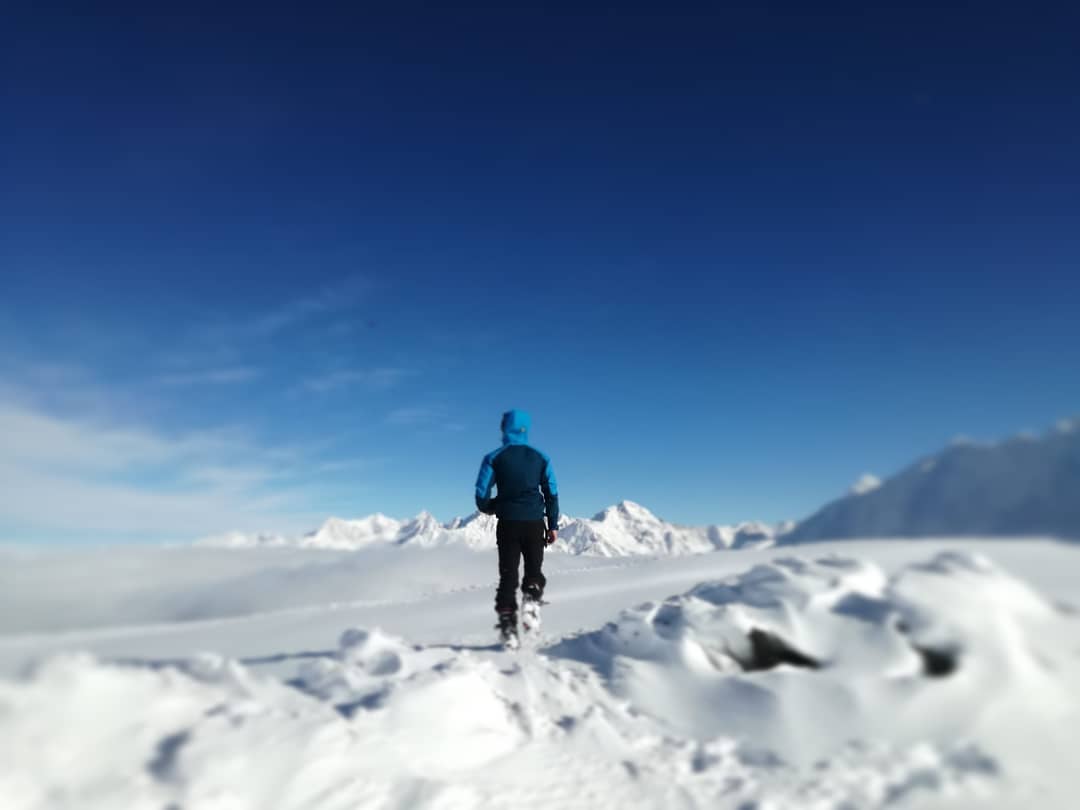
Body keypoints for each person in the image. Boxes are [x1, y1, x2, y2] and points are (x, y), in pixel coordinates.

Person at [474, 409, 559, 640]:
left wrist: (493, 507)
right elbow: (552, 493)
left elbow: (481, 494)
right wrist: (552, 525)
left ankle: (508, 626)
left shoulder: (493, 457)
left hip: (508, 524)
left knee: (508, 575)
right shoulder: (541, 457)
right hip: (534, 523)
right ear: (526, 429)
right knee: (533, 570)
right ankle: (531, 600)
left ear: (504, 428)